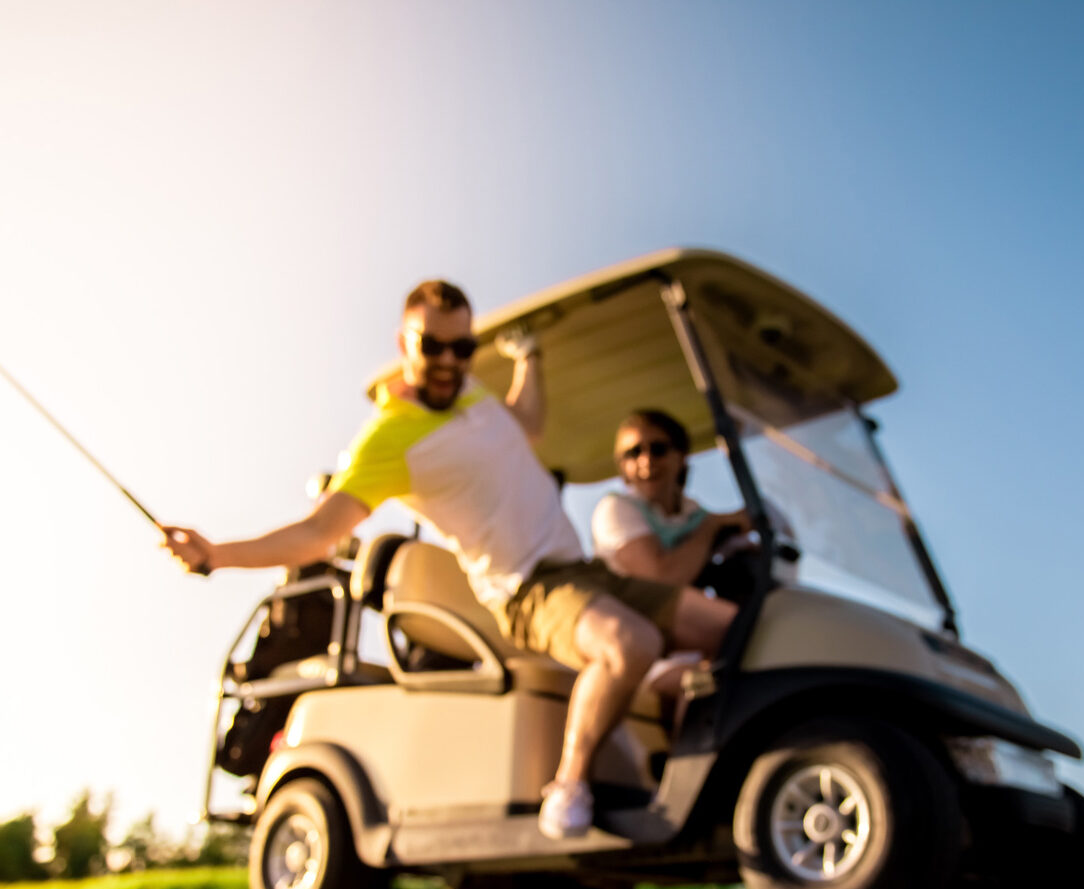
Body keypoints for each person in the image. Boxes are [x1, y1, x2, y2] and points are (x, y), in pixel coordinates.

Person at [162, 280, 737, 839]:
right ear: (403, 343)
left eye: (462, 347)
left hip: (584, 571)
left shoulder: (471, 394)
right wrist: (216, 554)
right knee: (628, 643)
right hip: (526, 589)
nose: (447, 360)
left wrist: (528, 357)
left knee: (733, 628)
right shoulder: (389, 436)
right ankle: (569, 786)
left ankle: (714, 781)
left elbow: (527, 424)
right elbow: (319, 531)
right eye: (431, 345)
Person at [592, 408, 752, 589]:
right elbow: (661, 580)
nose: (646, 460)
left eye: (658, 449)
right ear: (622, 468)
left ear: (681, 457)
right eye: (633, 453)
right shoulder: (615, 508)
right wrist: (710, 528)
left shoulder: (693, 513)